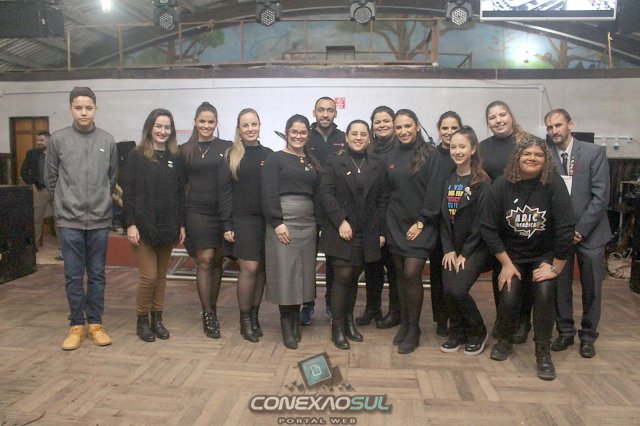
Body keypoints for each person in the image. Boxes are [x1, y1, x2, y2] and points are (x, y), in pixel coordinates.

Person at [481, 137, 575, 381]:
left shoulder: (553, 184)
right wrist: (505, 264)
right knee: (509, 294)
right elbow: (488, 228)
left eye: (539, 155)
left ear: (546, 160)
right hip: (511, 255)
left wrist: (556, 267)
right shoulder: (501, 185)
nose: (532, 158)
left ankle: (543, 353)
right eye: (527, 154)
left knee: (544, 294)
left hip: (543, 256)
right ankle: (505, 340)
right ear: (517, 157)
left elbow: (566, 227)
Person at [45, 86, 117, 350]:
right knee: (73, 276)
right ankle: (76, 325)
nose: (83, 112)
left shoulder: (107, 141)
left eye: (88, 107)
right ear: (70, 109)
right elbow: (50, 178)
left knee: (97, 274)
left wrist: (101, 200)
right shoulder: (58, 140)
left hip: (99, 219)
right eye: (78, 108)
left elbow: (112, 179)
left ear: (96, 109)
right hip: (69, 220)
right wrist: (66, 201)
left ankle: (95, 324)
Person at [545, 109, 612, 359]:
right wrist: (564, 231)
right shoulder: (545, 155)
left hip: (591, 233)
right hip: (559, 234)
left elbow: (601, 196)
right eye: (550, 127)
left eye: (558, 125)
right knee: (560, 287)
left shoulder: (594, 152)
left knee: (591, 287)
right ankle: (565, 332)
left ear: (570, 125)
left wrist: (580, 229)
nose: (554, 131)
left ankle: (588, 337)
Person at [319, 120, 388, 350]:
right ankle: (337, 328)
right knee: (342, 277)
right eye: (354, 134)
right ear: (347, 137)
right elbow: (326, 194)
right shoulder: (333, 162)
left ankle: (349, 322)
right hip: (341, 229)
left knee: (354, 277)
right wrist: (340, 221)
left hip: (366, 232)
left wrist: (380, 231)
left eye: (363, 134)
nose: (358, 137)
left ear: (369, 138)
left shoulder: (377, 164)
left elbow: (382, 199)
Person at [123, 109, 185, 343]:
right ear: (150, 128)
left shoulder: (176, 157)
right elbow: (128, 193)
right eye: (159, 126)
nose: (163, 131)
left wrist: (181, 224)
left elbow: (180, 194)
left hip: (168, 226)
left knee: (161, 277)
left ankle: (157, 319)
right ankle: (142, 320)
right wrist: (130, 224)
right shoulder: (136, 155)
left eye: (167, 127)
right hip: (142, 227)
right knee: (148, 277)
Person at [478, 100, 537, 344]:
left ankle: (523, 320)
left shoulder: (527, 142)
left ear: (510, 116)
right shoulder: (482, 148)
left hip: (524, 216)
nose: (498, 120)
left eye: (502, 114)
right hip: (496, 219)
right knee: (500, 271)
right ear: (487, 122)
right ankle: (504, 318)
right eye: (492, 117)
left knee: (524, 271)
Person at [386, 109, 444, 354]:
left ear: (417, 126)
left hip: (422, 224)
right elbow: (388, 191)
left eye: (407, 126)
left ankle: (414, 328)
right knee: (400, 275)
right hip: (395, 222)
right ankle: (405, 324)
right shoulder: (390, 155)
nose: (403, 131)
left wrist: (421, 221)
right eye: (398, 127)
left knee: (412, 273)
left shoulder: (431, 154)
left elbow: (435, 191)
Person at [262, 114, 321, 350]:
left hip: (308, 223)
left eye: (302, 132)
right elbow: (268, 192)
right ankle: (286, 324)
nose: (298, 136)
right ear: (287, 133)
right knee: (286, 273)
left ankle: (296, 321)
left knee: (303, 275)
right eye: (294, 131)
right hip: (283, 222)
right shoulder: (275, 158)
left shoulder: (311, 160)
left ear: (308, 135)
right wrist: (277, 222)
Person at [181, 102, 233, 339]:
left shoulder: (227, 147)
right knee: (205, 259)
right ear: (195, 122)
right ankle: (208, 314)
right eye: (202, 121)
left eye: (211, 121)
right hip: (196, 212)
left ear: (216, 123)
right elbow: (180, 186)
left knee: (218, 262)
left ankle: (213, 307)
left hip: (221, 212)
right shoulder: (184, 150)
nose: (206, 125)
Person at [221, 108, 273, 342]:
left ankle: (254, 317)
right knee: (249, 269)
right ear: (239, 129)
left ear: (259, 126)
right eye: (245, 125)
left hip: (265, 221)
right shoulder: (230, 155)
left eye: (254, 124)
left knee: (261, 270)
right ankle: (244, 320)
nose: (250, 129)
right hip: (242, 221)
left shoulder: (269, 155)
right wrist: (227, 224)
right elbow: (224, 193)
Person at [439, 126, 491, 356]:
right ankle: (457, 332)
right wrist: (449, 249)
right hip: (452, 247)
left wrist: (465, 253)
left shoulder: (481, 181)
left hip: (475, 247)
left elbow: (481, 223)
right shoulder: (448, 178)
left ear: (473, 149)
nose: (457, 151)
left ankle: (478, 331)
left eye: (462, 146)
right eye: (453, 147)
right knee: (447, 290)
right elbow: (443, 218)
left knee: (459, 290)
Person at [301, 96, 346, 325]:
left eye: (329, 110)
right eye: (321, 110)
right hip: (307, 209)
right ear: (314, 112)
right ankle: (307, 304)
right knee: (306, 260)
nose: (325, 114)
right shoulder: (304, 136)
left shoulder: (344, 138)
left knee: (333, 261)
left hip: (333, 211)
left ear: (335, 113)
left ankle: (331, 304)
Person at [356, 106, 398, 329]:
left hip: (396, 218)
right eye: (377, 122)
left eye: (386, 121)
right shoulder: (367, 149)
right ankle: (372, 308)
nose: (382, 125)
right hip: (371, 218)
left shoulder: (401, 147)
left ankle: (395, 311)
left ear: (394, 123)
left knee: (394, 268)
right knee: (372, 267)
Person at [430, 111, 461, 337]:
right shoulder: (432, 155)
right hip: (436, 223)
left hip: (460, 225)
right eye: (445, 128)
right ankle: (441, 318)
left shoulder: (466, 154)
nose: (449, 132)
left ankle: (458, 318)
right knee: (437, 274)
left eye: (454, 128)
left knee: (457, 276)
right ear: (439, 130)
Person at [21, 131, 54, 248]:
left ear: (49, 140)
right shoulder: (32, 154)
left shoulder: (57, 153)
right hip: (40, 190)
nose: (39, 143)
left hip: (57, 190)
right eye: (37, 140)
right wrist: (32, 184)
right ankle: (33, 246)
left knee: (61, 219)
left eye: (41, 140)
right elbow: (23, 171)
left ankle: (64, 247)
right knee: (36, 219)